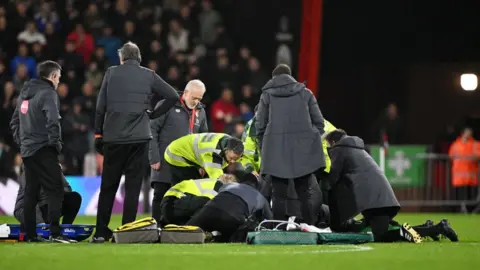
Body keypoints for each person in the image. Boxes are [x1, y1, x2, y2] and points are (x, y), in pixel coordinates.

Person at [92, 42, 179, 243]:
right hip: (140, 138)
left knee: (108, 187)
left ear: (122, 58)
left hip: (113, 139)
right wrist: (153, 114)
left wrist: (98, 134)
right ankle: (127, 232)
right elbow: (173, 95)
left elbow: (100, 107)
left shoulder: (111, 73)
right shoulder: (149, 75)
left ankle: (100, 232)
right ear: (138, 57)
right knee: (133, 187)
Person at [324, 129, 458, 243]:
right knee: (383, 230)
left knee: (381, 235)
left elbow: (332, 179)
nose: (329, 148)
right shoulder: (356, 149)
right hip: (380, 198)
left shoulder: (340, 149)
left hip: (375, 201)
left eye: (329, 145)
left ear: (334, 142)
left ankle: (437, 228)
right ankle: (426, 228)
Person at [255, 64, 325, 225]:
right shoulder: (306, 94)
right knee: (305, 192)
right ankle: (309, 227)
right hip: (303, 151)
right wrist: (308, 141)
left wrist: (265, 146)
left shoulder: (267, 96)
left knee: (279, 194)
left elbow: (260, 126)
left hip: (276, 150)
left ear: (274, 78)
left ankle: (278, 228)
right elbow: (319, 123)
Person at [10, 60, 71, 243]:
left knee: (31, 192)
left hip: (28, 152)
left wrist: (23, 142)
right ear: (52, 76)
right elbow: (53, 121)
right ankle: (55, 232)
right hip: (44, 149)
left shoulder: (23, 94)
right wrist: (55, 144)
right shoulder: (48, 93)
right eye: (58, 77)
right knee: (56, 189)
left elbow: (14, 122)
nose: (59, 81)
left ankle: (30, 235)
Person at [149, 79, 208, 223]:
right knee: (160, 195)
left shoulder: (200, 111)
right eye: (194, 98)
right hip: (164, 160)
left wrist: (202, 164)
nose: (196, 102)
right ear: (186, 93)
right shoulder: (167, 104)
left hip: (188, 165)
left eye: (200, 98)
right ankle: (156, 228)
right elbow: (151, 130)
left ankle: (177, 229)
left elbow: (203, 140)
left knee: (183, 198)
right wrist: (154, 157)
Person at [187, 170, 273, 242]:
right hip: (232, 218)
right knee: (231, 238)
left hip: (208, 210)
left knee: (186, 232)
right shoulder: (260, 197)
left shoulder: (229, 185)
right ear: (257, 185)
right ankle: (214, 238)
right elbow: (269, 219)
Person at [14, 164, 81, 226]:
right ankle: (42, 224)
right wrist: (41, 223)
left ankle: (66, 228)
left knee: (74, 197)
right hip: (26, 209)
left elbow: (67, 188)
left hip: (47, 205)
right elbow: (30, 199)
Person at [164, 133, 244, 184]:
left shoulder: (228, 141)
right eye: (231, 158)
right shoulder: (212, 155)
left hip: (185, 146)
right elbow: (219, 180)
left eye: (236, 159)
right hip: (175, 154)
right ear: (225, 150)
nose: (233, 162)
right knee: (187, 186)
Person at [160, 174, 236, 226]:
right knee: (210, 207)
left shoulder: (210, 182)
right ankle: (190, 228)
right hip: (175, 203)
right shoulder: (218, 186)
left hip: (169, 204)